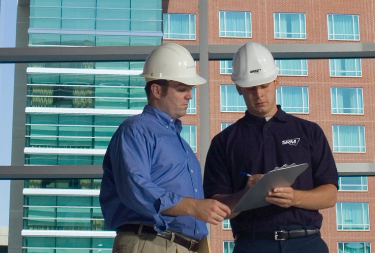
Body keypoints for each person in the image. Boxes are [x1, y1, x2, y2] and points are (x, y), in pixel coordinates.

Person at [203, 42, 338, 253]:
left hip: (306, 242)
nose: (259, 95)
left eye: (264, 85)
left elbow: (330, 195)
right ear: (238, 88)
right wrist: (248, 193)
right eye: (250, 88)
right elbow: (218, 207)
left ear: (276, 81)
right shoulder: (224, 141)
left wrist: (294, 197)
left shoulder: (309, 132)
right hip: (252, 244)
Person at [100, 43, 231, 253]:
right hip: (150, 243)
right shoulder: (135, 130)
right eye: (182, 88)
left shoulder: (182, 145)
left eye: (190, 89)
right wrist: (193, 207)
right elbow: (136, 188)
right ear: (157, 90)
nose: (190, 95)